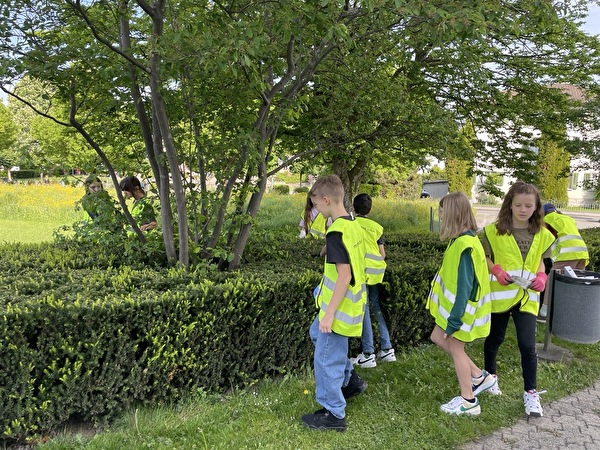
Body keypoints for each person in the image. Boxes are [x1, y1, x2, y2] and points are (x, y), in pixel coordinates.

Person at [480, 181, 555, 417]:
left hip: (527, 297)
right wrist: (496, 270)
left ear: (536, 208)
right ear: (510, 205)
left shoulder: (542, 234)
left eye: (528, 206)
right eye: (518, 205)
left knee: (527, 345)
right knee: (495, 339)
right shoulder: (493, 231)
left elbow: (542, 260)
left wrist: (542, 275)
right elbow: (484, 256)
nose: (523, 210)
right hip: (501, 296)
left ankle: (530, 393)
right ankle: (489, 377)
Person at [301, 175, 368, 432]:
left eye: (315, 203)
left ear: (326, 199)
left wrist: (329, 315)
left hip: (338, 309)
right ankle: (349, 381)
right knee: (315, 333)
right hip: (348, 305)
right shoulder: (352, 224)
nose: (315, 208)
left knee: (326, 357)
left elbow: (344, 275)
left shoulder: (337, 232)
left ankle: (333, 413)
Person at [426, 192, 496, 415]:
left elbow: (464, 288)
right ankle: (480, 377)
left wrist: (454, 321)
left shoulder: (464, 245)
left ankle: (469, 401)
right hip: (456, 312)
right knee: (436, 337)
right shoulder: (463, 241)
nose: (441, 216)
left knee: (457, 350)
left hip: (460, 314)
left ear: (453, 215)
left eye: (443, 212)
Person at [349, 193, 395, 368]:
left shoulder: (352, 225)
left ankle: (368, 354)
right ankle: (387, 349)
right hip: (376, 272)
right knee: (375, 307)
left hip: (361, 272)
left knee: (365, 308)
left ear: (353, 208)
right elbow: (382, 254)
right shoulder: (377, 227)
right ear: (370, 209)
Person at [538, 203, 589, 319]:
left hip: (568, 252)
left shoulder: (547, 219)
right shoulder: (568, 218)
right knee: (574, 282)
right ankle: (573, 311)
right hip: (582, 252)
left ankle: (544, 313)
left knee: (552, 279)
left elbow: (546, 238)